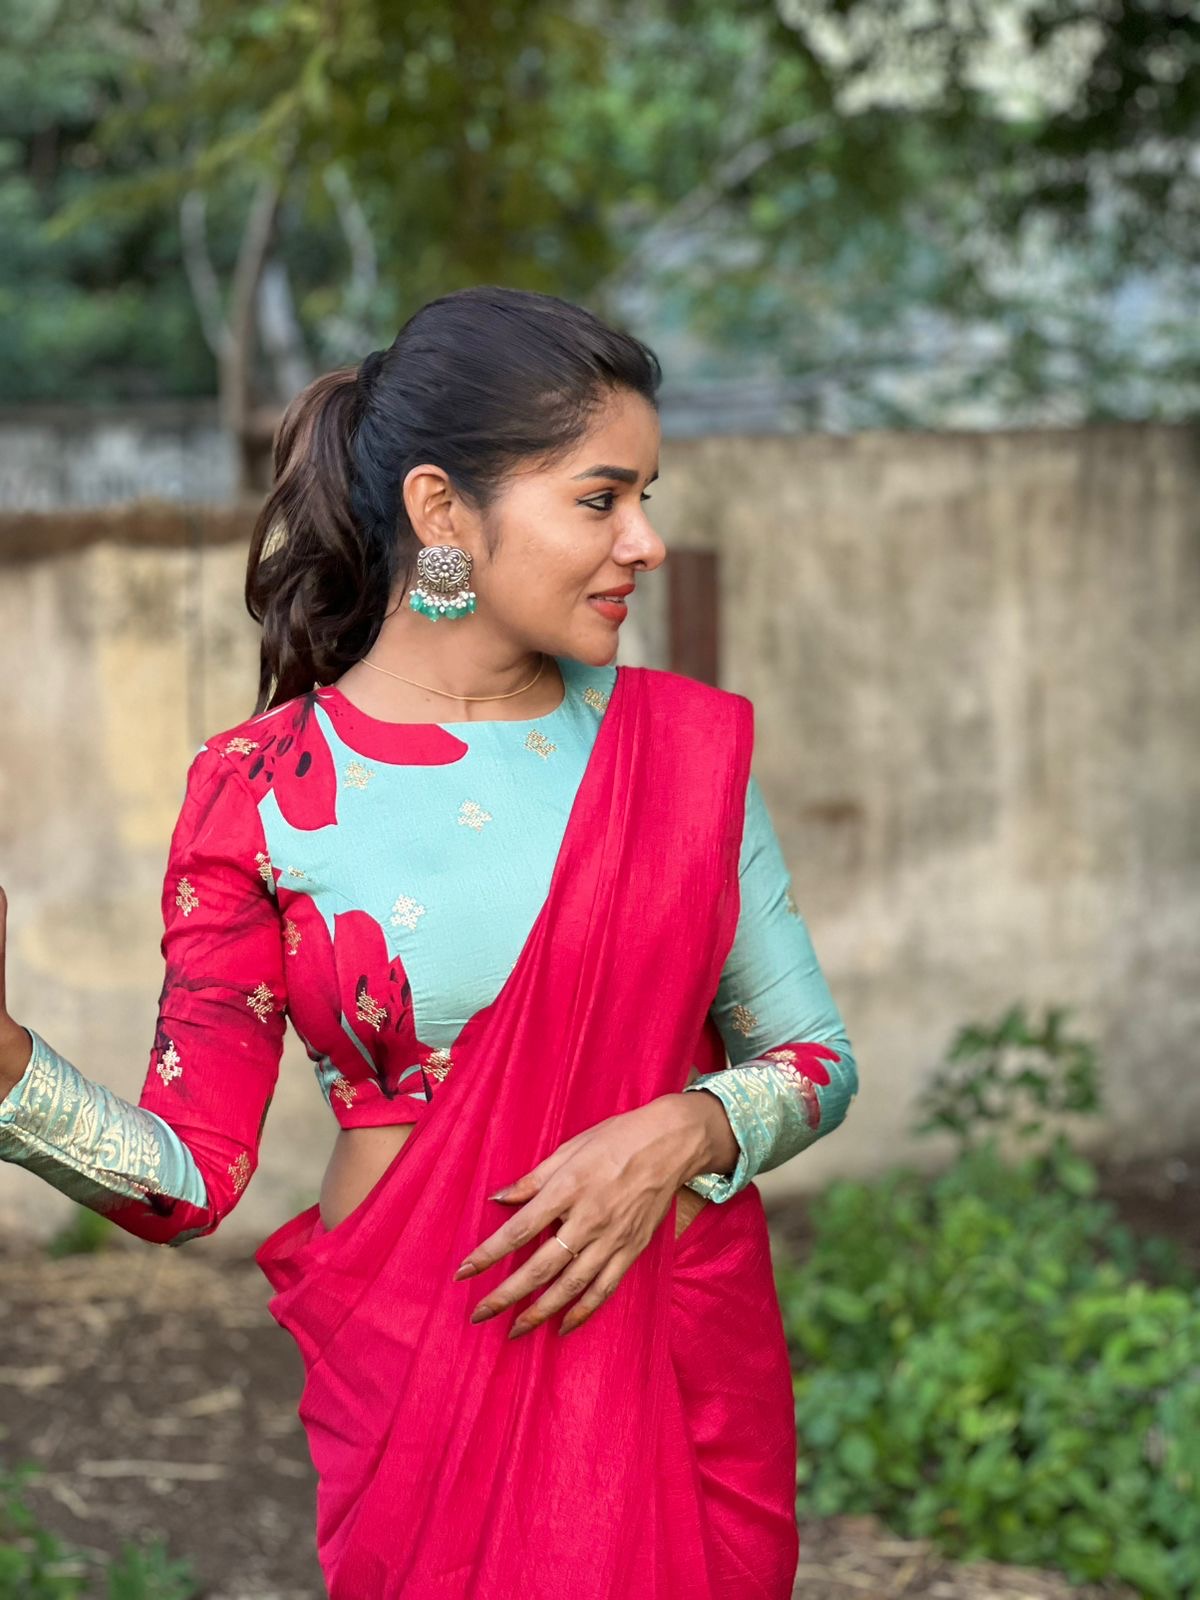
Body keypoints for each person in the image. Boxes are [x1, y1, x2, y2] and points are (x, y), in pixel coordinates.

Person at [0, 285, 858, 1599]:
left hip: (664, 1337)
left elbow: (813, 1057)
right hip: (420, 1364)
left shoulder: (678, 755)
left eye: (649, 495)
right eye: (600, 498)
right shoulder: (263, 788)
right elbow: (186, 1183)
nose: (649, 541)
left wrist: (684, 1129)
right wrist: (10, 1073)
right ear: (443, 511)